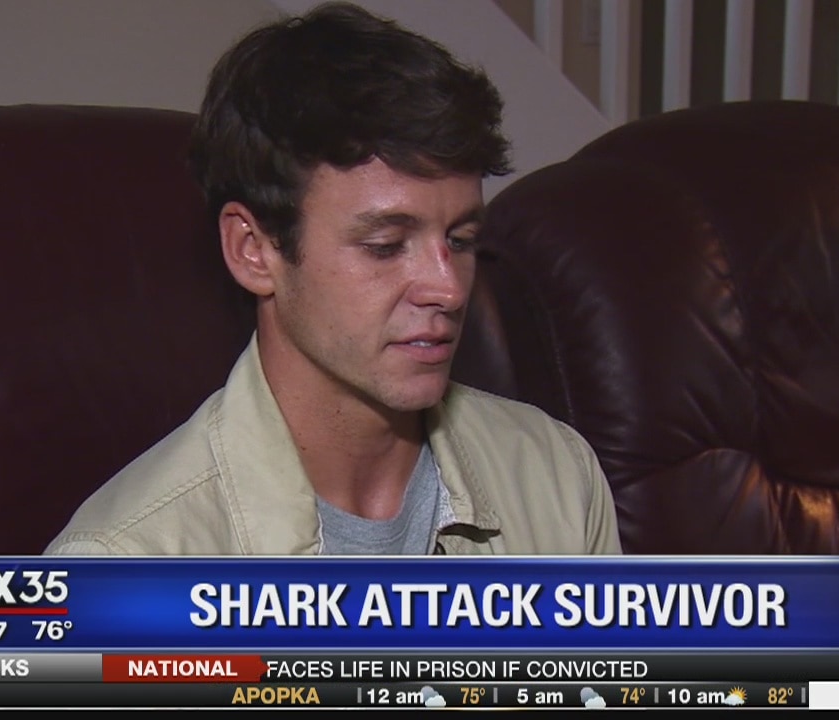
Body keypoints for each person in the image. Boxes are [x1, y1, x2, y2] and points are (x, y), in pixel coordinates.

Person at [45, 2, 621, 556]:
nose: (448, 289)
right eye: (385, 246)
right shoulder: (124, 562)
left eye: (461, 240)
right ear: (254, 251)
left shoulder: (557, 476)